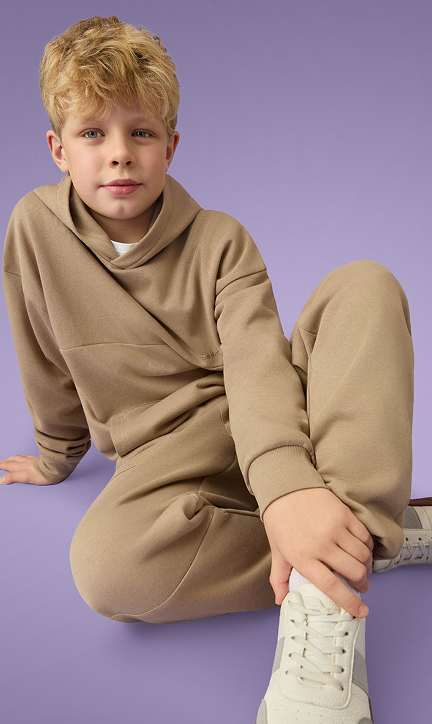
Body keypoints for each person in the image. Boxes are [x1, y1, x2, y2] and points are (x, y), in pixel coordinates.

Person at [1, 15, 431, 724]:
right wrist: (55, 454)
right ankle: (363, 531)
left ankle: (322, 596)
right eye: (93, 133)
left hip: (272, 417)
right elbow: (40, 349)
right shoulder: (33, 229)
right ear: (58, 149)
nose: (119, 155)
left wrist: (286, 487)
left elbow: (257, 363)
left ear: (171, 146)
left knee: (365, 284)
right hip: (167, 458)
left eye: (141, 133)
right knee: (106, 571)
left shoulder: (220, 240)